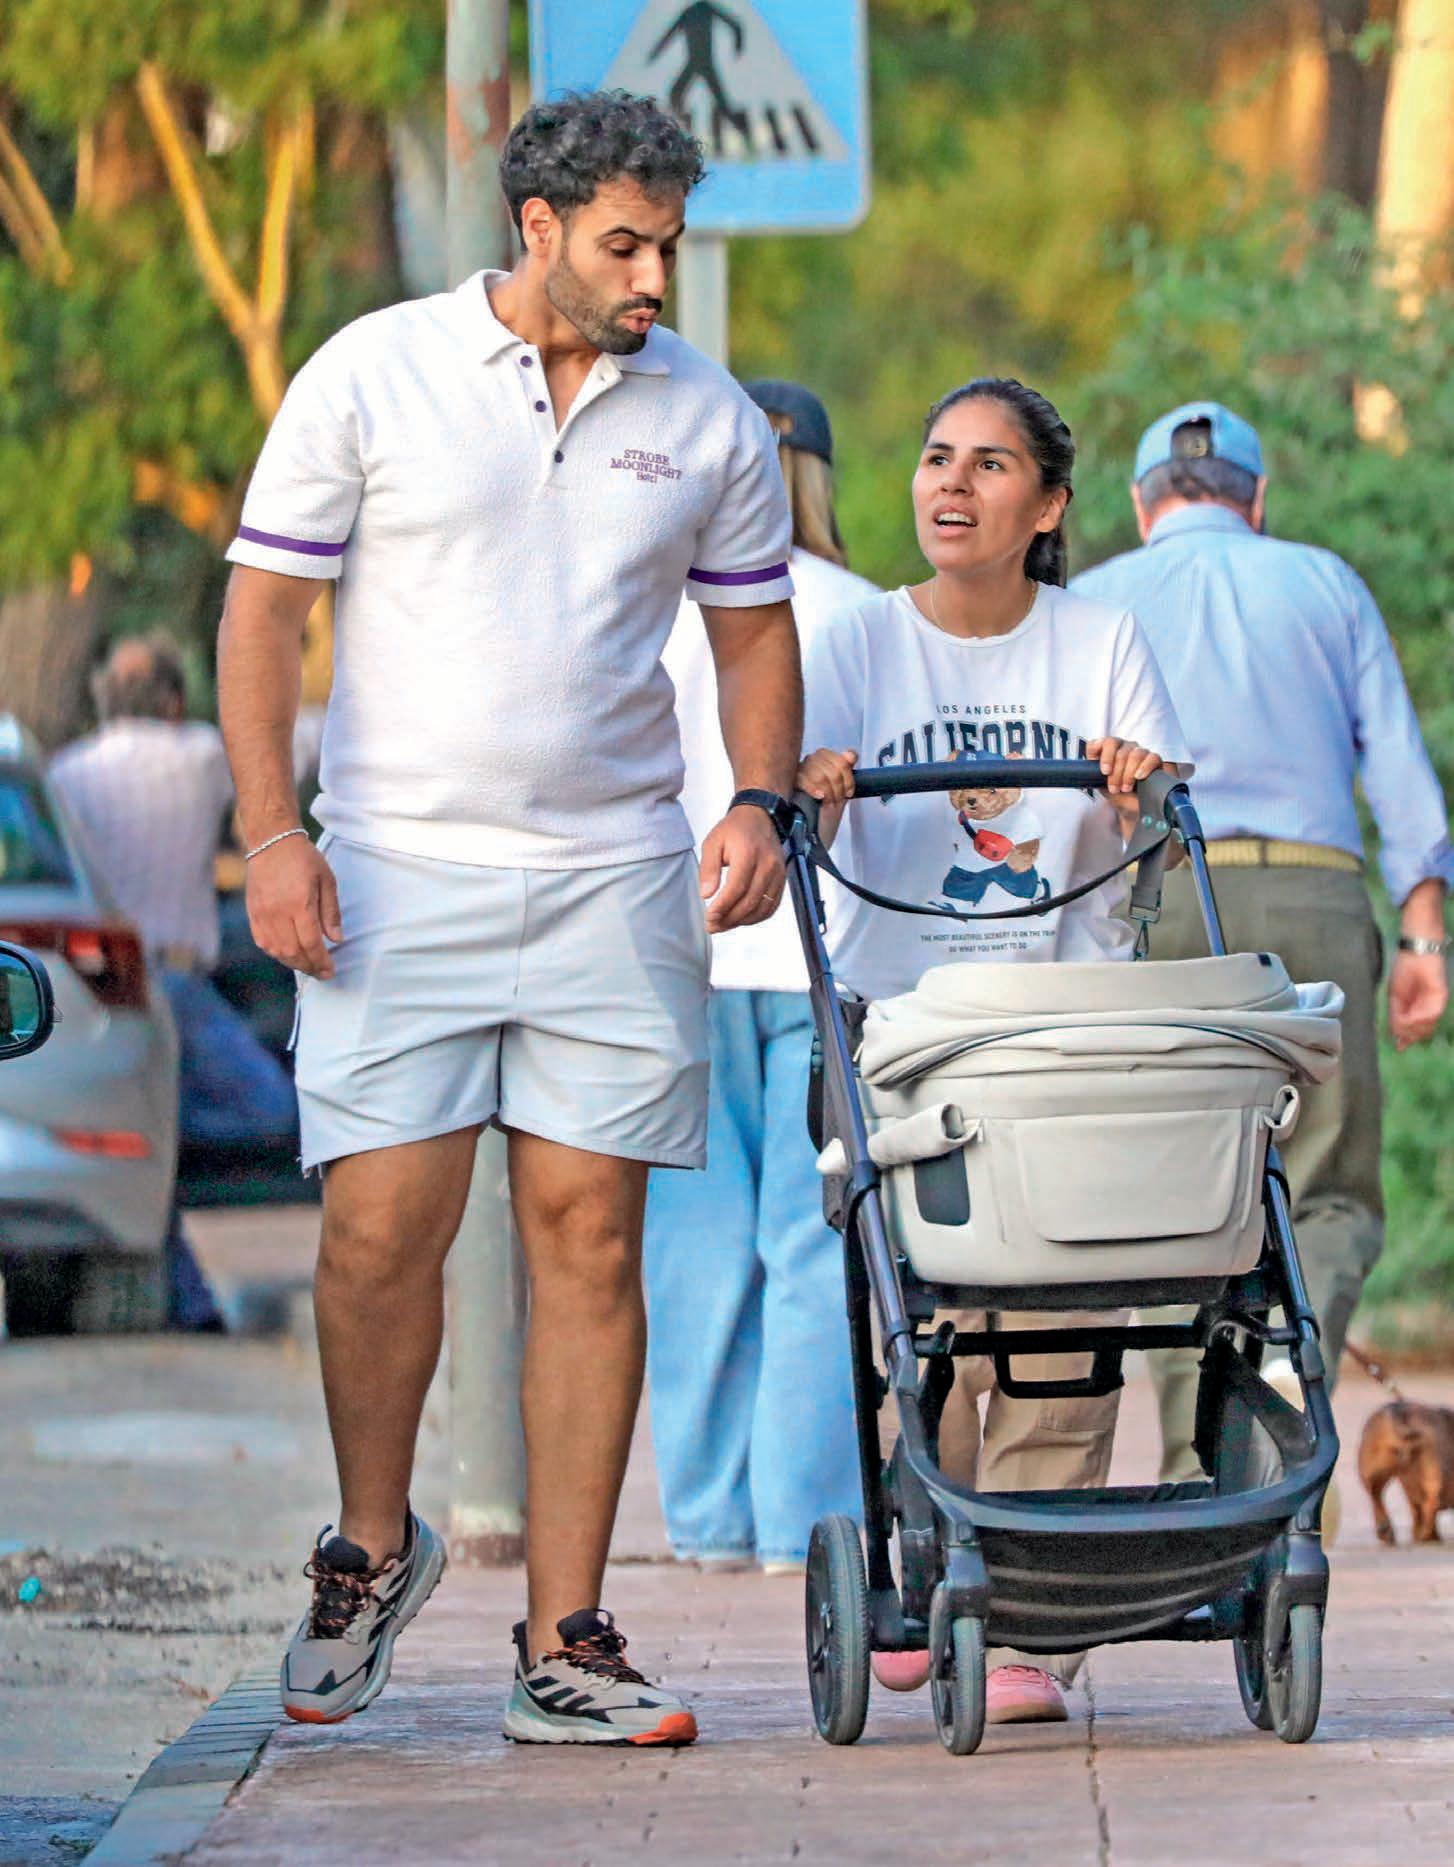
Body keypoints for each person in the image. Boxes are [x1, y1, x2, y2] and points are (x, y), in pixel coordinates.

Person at [218, 90, 802, 1748]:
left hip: (615, 874)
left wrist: (755, 799)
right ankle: (370, 1542)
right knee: (375, 1233)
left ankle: (567, 1637)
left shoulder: (707, 419)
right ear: (534, 227)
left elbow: (753, 634)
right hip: (394, 873)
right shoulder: (373, 371)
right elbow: (262, 611)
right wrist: (272, 835)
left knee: (588, 1238)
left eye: (668, 246)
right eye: (624, 244)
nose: (653, 278)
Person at [797, 377, 1188, 1724]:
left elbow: (1151, 844)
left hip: (1061, 1031)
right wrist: (816, 790)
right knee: (939, 1320)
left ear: (1048, 505)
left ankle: (1028, 1614)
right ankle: (933, 1557)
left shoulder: (1100, 639)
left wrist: (1133, 792)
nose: (950, 484)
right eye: (934, 458)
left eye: (987, 463)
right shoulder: (856, 642)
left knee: (1063, 1311)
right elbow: (801, 827)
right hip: (906, 1034)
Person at [1071, 401, 1452, 1490]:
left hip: (1164, 901)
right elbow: (1398, 770)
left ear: (1141, 503)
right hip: (1314, 896)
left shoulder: (1095, 600)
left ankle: (1199, 1470)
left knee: (1170, 1192)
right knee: (1328, 1188)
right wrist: (1421, 934)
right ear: (1259, 499)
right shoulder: (1327, 583)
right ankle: (1287, 1378)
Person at [645, 381, 875, 1575]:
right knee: (809, 1239)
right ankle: (802, 1524)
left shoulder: (650, 605)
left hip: (672, 953)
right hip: (810, 958)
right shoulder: (862, 611)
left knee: (688, 1251)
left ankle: (706, 1516)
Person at [50, 632, 299, 1330]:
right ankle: (155, 1146)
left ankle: (189, 1293)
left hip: (98, 987)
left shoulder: (67, 773)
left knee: (134, 1136)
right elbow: (291, 745)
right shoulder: (200, 756)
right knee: (272, 1109)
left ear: (104, 699)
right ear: (171, 701)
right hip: (178, 985)